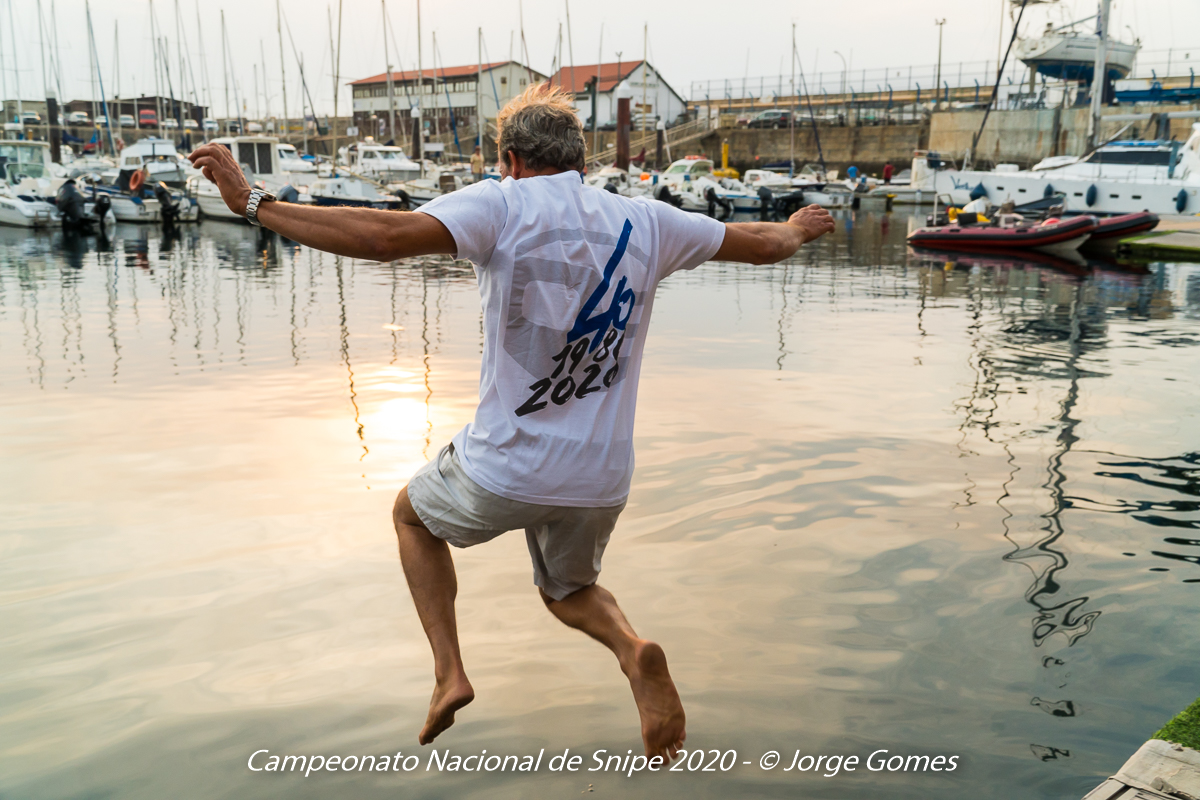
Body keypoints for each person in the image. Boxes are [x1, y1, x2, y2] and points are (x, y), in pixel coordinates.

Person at [189, 84, 833, 762]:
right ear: (578, 160)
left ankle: (449, 673)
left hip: (506, 464)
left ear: (512, 160)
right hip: (601, 477)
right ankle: (631, 649)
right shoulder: (647, 220)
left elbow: (380, 237)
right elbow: (763, 245)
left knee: (412, 519)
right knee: (570, 590)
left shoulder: (501, 202)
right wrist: (797, 227)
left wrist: (252, 202)